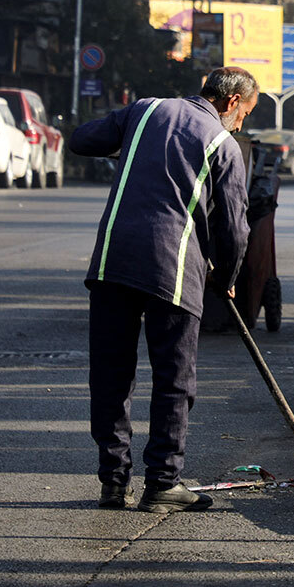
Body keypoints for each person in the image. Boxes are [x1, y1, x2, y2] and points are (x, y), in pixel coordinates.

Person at [71, 67, 257, 513]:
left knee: (111, 377)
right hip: (171, 270)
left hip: (112, 262)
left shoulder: (144, 110)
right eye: (246, 114)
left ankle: (113, 484)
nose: (242, 124)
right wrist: (226, 279)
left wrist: (135, 146)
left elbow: (81, 140)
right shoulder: (223, 144)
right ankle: (162, 484)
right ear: (232, 103)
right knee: (173, 380)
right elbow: (234, 228)